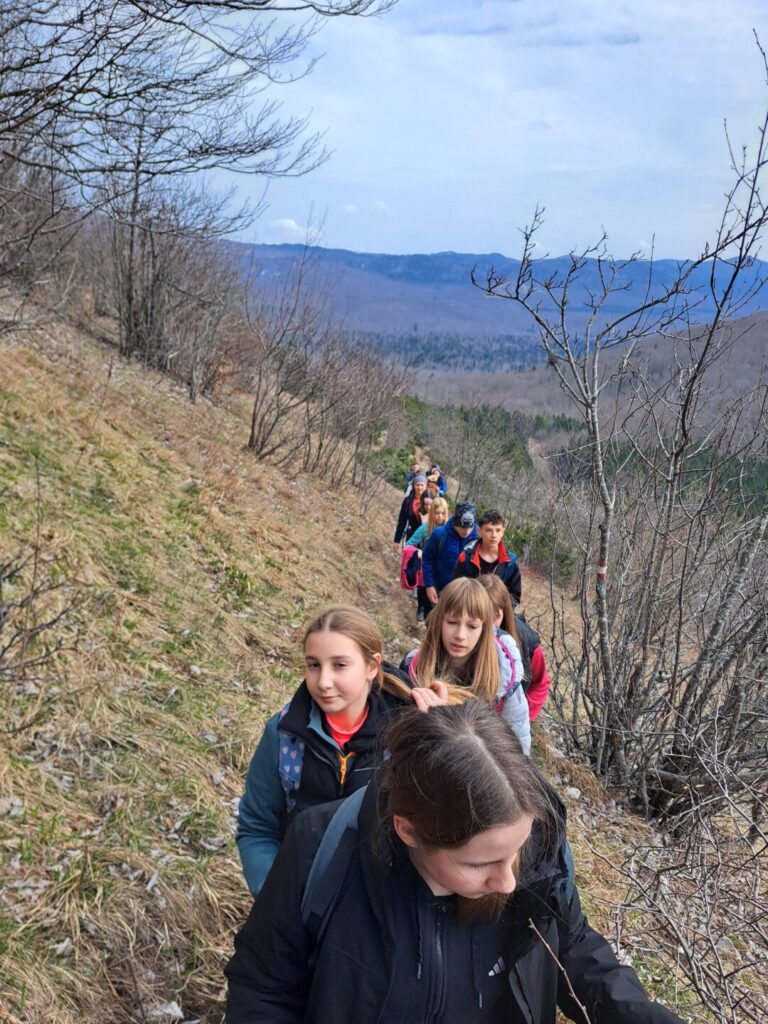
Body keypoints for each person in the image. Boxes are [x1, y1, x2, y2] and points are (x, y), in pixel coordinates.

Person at [225, 701, 685, 1024]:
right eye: (480, 864)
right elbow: (263, 987)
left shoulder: (539, 848)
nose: (507, 881)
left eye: (516, 850)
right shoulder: (322, 848)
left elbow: (573, 949)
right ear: (408, 831)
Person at [235, 605, 443, 895]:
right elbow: (257, 826)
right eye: (314, 665)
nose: (323, 682)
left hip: (377, 903)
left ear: (372, 666)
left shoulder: (408, 733)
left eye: (340, 665)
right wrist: (274, 893)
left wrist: (442, 732)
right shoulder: (284, 734)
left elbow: (437, 827)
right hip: (297, 896)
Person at [401, 578, 530, 754]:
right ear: (440, 621)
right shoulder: (412, 668)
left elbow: (517, 750)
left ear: (484, 630)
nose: (460, 635)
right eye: (452, 622)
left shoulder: (504, 679)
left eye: (472, 626)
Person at [476, 575, 551, 720]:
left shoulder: (527, 641)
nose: (487, 624)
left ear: (505, 612)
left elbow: (540, 683)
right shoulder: (461, 635)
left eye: (494, 616)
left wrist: (523, 716)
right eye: (481, 616)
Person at [453, 508, 522, 606]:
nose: (494, 535)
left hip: (497, 612)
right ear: (479, 531)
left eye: (498, 530)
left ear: (503, 532)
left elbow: (515, 597)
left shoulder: (510, 562)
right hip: (470, 610)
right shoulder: (466, 558)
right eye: (489, 530)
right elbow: (456, 589)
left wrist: (498, 608)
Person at [422, 499, 478, 606]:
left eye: (469, 528)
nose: (466, 531)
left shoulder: (479, 539)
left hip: (464, 596)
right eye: (462, 528)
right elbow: (427, 559)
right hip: (439, 590)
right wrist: (429, 585)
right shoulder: (440, 534)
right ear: (456, 522)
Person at [407, 495, 449, 620]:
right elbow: (409, 544)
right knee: (424, 592)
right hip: (426, 567)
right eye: (437, 513)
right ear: (432, 513)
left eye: (442, 513)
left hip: (443, 571)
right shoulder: (425, 528)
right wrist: (418, 552)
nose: (440, 516)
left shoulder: (450, 531)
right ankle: (421, 609)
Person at [393, 473, 427, 550]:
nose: (420, 487)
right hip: (411, 537)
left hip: (425, 539)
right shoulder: (408, 501)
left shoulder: (430, 500)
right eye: (417, 485)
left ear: (426, 486)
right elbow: (402, 521)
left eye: (422, 485)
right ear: (414, 486)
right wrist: (397, 540)